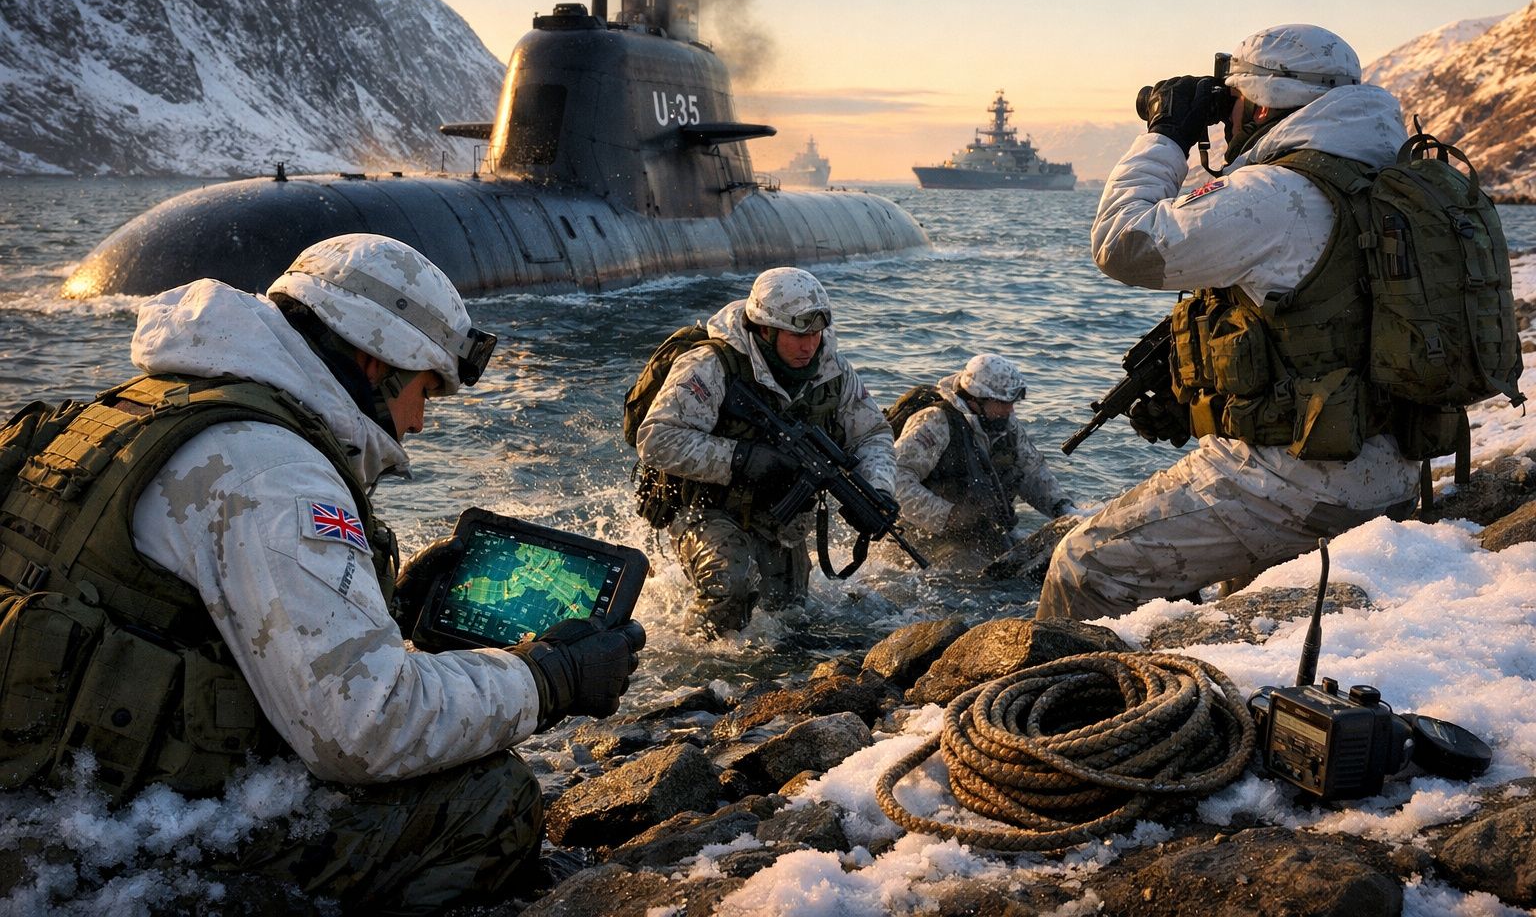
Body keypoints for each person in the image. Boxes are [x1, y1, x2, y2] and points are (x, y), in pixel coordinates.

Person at [0, 234, 645, 912]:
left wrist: (386, 607)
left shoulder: (147, 406)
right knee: (491, 802)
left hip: (44, 806)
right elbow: (364, 728)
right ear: (376, 360)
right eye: (426, 391)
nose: (420, 422)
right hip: (97, 857)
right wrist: (546, 680)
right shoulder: (275, 470)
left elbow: (170, 613)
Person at [1036, 24, 1421, 621]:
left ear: (1261, 104)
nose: (1224, 117)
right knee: (1234, 600)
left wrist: (1167, 134)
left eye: (1232, 100)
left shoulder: (1276, 191)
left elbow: (1122, 243)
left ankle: (1066, 681)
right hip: (1396, 468)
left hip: (1299, 484)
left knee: (1083, 564)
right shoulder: (1395, 182)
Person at [634, 266, 896, 637]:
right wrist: (740, 458)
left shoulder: (832, 371)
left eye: (816, 334)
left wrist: (876, 488)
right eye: (797, 335)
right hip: (704, 507)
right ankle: (692, 660)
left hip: (775, 515)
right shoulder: (711, 365)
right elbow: (655, 439)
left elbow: (872, 433)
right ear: (765, 330)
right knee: (731, 589)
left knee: (789, 617)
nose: (809, 346)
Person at [891, 353, 1072, 564]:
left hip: (984, 532)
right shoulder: (935, 422)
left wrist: (1064, 509)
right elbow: (896, 479)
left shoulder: (1004, 423)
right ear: (976, 399)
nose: (1010, 409)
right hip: (928, 538)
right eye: (1002, 402)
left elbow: (1031, 471)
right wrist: (949, 516)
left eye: (1012, 402)